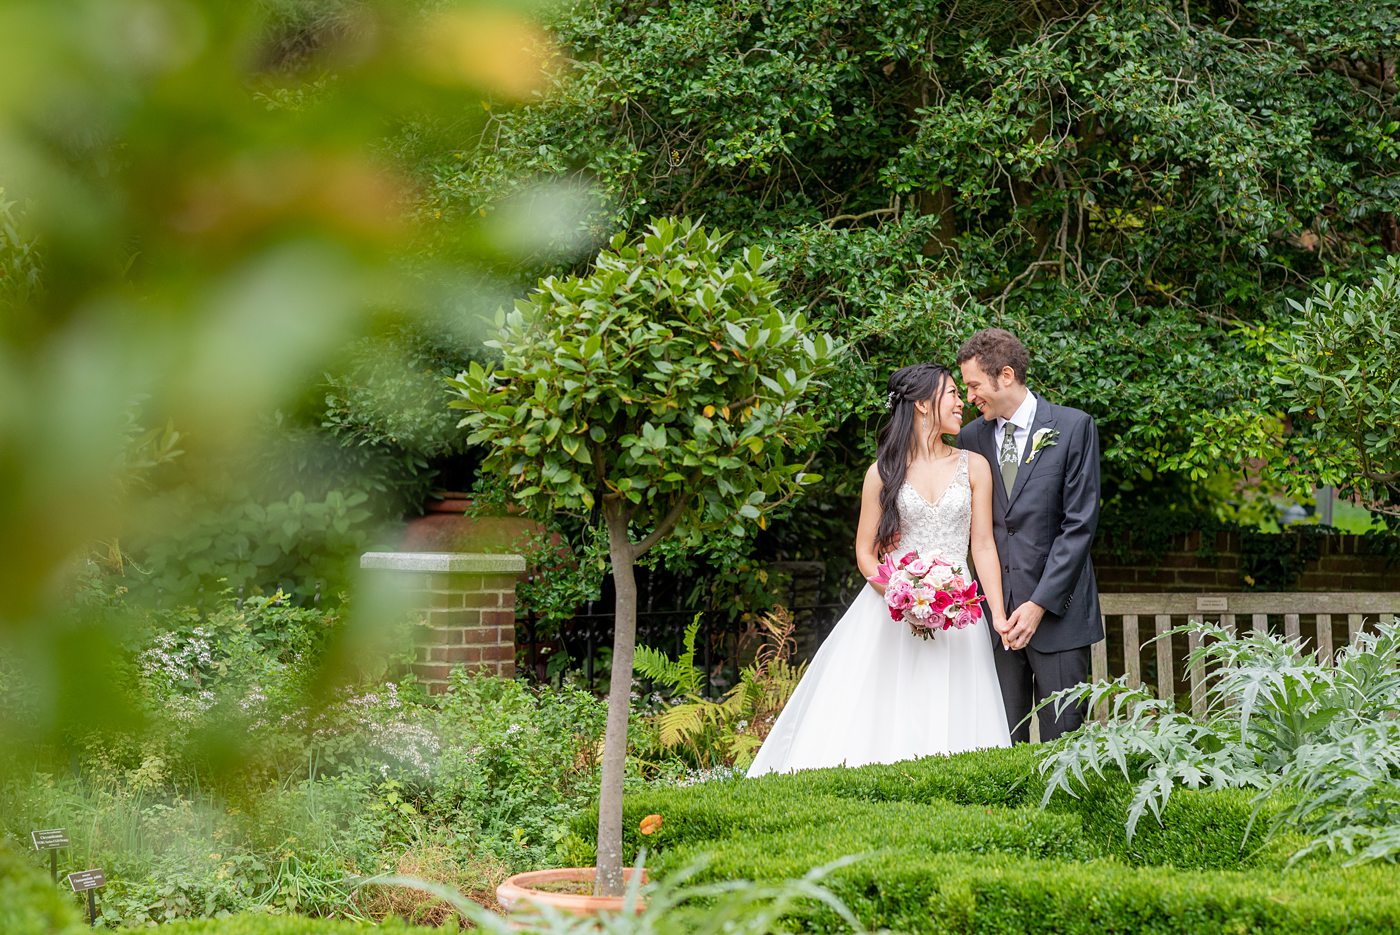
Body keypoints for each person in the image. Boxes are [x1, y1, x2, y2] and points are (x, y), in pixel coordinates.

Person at [747, 363, 1011, 777]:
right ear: (923, 404)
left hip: (960, 612)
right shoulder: (882, 472)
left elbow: (982, 546)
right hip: (893, 611)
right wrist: (904, 596)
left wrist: (996, 613)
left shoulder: (974, 466)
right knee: (889, 706)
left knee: (958, 703)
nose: (963, 403)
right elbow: (865, 553)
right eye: (952, 394)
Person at [955, 328, 1102, 744]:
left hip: (1059, 619)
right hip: (995, 623)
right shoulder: (971, 439)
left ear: (1005, 375)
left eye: (973, 385)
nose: (969, 398)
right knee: (1000, 743)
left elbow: (1079, 527)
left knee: (1063, 746)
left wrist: (1038, 605)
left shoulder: (1074, 428)